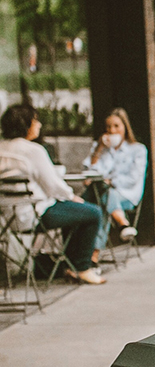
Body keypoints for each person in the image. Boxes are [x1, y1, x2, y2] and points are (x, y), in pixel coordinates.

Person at [0, 103, 105, 285]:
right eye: (35, 121)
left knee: (72, 213)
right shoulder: (33, 150)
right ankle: (82, 268)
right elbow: (53, 186)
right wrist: (72, 196)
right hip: (36, 215)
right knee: (92, 212)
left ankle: (71, 266)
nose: (39, 125)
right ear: (26, 124)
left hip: (8, 219)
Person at [84, 108, 148, 258]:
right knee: (103, 198)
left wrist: (110, 181)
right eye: (108, 127)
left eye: (116, 126)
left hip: (126, 195)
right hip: (101, 193)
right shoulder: (100, 148)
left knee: (104, 198)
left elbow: (133, 179)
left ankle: (93, 256)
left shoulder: (137, 149)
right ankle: (122, 224)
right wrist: (99, 149)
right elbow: (89, 173)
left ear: (125, 127)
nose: (112, 130)